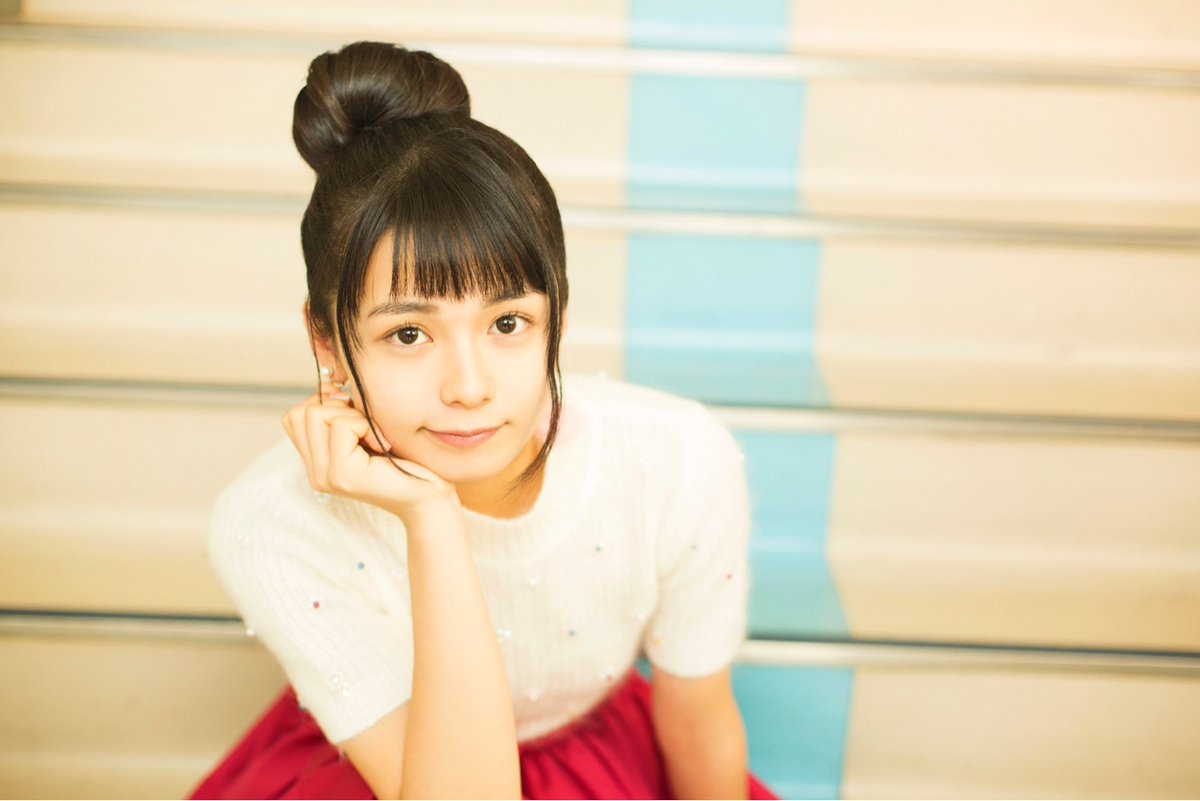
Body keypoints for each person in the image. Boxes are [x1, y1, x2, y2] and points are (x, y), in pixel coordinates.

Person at [190, 41, 777, 800]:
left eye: (507, 323)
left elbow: (697, 723)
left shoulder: (676, 459)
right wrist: (430, 516)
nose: (468, 387)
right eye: (409, 334)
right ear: (327, 339)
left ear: (557, 315)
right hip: (384, 766)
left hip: (594, 758)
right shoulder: (272, 520)